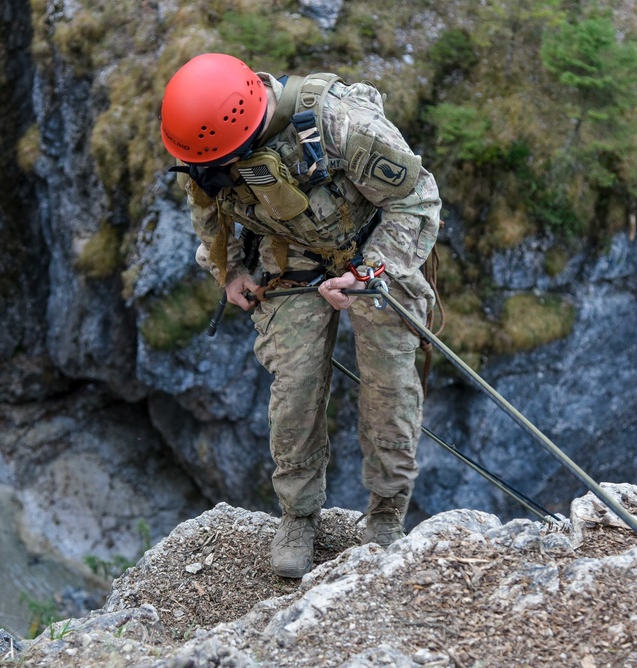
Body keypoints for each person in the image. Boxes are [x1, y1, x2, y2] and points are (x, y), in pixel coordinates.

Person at [160, 53, 441, 578]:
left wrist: (367, 272)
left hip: (374, 250)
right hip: (291, 259)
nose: (213, 170)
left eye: (224, 160)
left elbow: (417, 199)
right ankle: (298, 515)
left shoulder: (344, 128)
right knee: (295, 387)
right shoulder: (206, 152)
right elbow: (208, 207)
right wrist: (231, 271)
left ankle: (384, 515)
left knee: (390, 388)